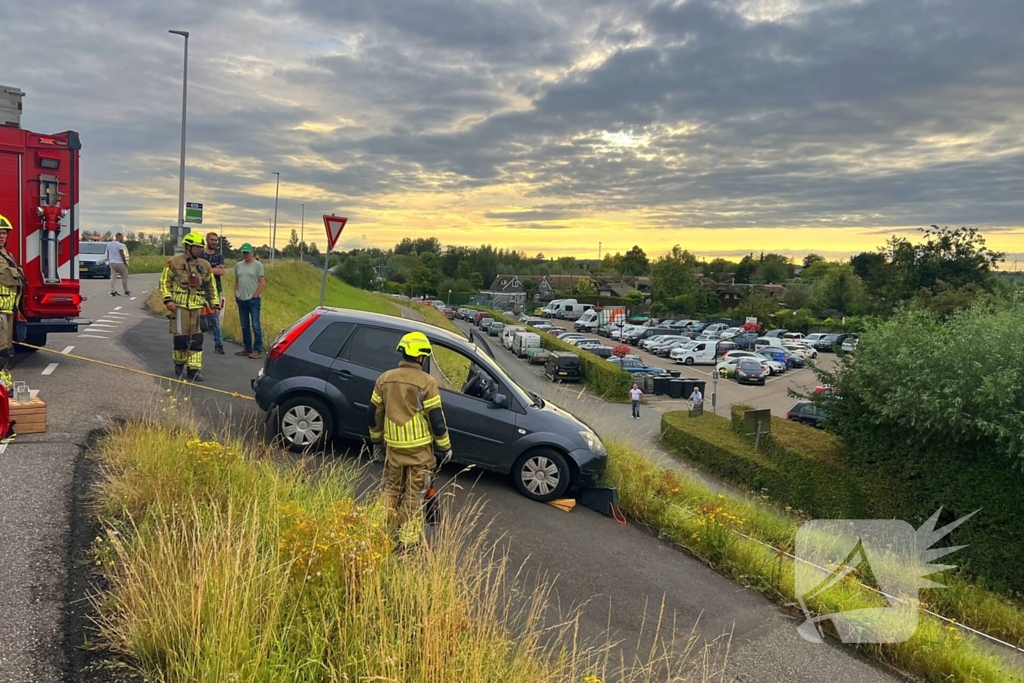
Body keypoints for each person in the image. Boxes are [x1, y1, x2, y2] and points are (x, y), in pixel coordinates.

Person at [368, 331, 453, 547]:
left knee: (391, 489)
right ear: (421, 357)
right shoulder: (427, 382)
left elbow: (373, 413)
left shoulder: (384, 379)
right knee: (415, 495)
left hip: (393, 448)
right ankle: (407, 543)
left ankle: (376, 531)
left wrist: (377, 441)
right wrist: (445, 447)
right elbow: (436, 419)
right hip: (419, 453)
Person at [159, 232, 220, 382]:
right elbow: (164, 282)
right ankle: (179, 365)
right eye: (197, 247)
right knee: (180, 339)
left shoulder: (205, 265)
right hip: (179, 308)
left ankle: (194, 370)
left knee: (197, 340)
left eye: (201, 247)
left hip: (198, 308)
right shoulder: (173, 262)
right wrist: (168, 300)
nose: (200, 250)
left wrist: (215, 304)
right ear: (188, 246)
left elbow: (211, 286)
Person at [0, 214, 25, 364]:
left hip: (8, 312)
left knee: (6, 354)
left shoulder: (6, 255)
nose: (1, 236)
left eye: (4, 233)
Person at [234, 243, 266, 359]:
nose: (245, 255)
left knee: (255, 325)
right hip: (241, 298)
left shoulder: (258, 265)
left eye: (247, 252)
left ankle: (257, 349)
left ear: (252, 252)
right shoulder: (238, 265)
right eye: (244, 252)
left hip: (253, 300)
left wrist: (255, 295)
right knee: (244, 325)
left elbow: (262, 283)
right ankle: (247, 348)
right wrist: (236, 294)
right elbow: (237, 281)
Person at [202, 232, 226, 354]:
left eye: (216, 240)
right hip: (200, 289)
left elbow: (221, 272)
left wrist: (206, 269)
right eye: (212, 240)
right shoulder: (200, 254)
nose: (214, 242)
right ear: (207, 240)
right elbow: (196, 269)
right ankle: (195, 343)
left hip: (215, 290)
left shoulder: (219, 256)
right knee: (197, 316)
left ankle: (218, 344)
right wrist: (213, 269)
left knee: (214, 317)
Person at [106, 232, 130, 297]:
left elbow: (108, 253)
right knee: (124, 277)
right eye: (122, 237)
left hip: (112, 262)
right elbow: (122, 254)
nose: (122, 239)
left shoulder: (109, 244)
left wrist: (109, 261)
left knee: (113, 277)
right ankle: (126, 291)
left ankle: (112, 290)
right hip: (120, 263)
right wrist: (125, 262)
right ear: (119, 237)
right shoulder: (120, 245)